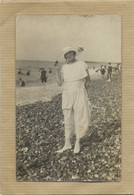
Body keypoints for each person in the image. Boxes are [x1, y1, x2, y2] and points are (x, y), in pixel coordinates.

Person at [56, 47, 91, 154]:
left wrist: (84, 92)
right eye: (67, 54)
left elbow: (88, 81)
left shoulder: (81, 63)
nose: (69, 55)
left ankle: (77, 142)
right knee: (67, 119)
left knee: (79, 118)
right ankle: (67, 144)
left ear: (74, 54)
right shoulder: (64, 67)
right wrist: (57, 70)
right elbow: (59, 83)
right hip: (67, 94)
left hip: (79, 93)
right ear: (65, 56)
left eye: (71, 53)